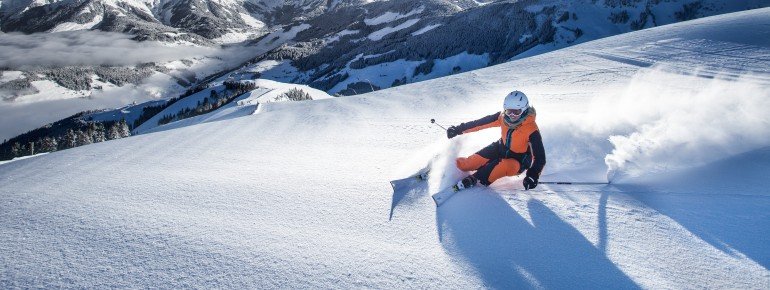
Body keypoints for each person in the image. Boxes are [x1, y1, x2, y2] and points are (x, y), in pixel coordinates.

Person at [446, 90, 546, 190]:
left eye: (516, 112)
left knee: (501, 165)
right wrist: (458, 129)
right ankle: (449, 166)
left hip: (518, 162)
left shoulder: (531, 129)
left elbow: (540, 157)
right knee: (466, 165)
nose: (512, 116)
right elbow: (480, 123)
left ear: (524, 110)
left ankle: (476, 179)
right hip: (500, 148)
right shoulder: (502, 118)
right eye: (509, 111)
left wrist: (533, 175)